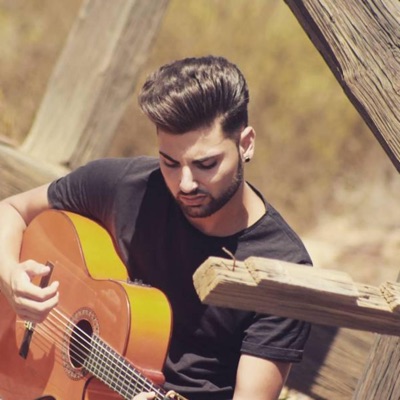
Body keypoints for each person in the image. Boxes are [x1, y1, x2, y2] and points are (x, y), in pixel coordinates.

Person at [0, 55, 312, 400]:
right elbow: (11, 210)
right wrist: (10, 276)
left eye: (206, 164)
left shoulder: (282, 268)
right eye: (170, 163)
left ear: (246, 144)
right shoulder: (126, 186)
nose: (186, 183)